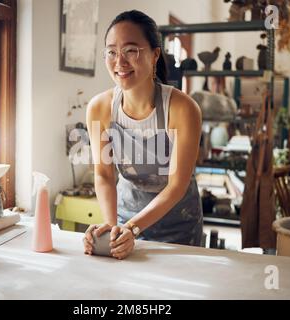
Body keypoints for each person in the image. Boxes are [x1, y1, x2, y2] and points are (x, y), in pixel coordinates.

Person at [84, 10, 203, 260]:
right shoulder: (99, 108)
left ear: (155, 54)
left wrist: (133, 228)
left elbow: (176, 185)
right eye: (112, 51)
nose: (120, 62)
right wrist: (113, 228)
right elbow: (104, 175)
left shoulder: (183, 109)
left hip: (178, 225)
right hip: (126, 216)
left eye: (130, 50)